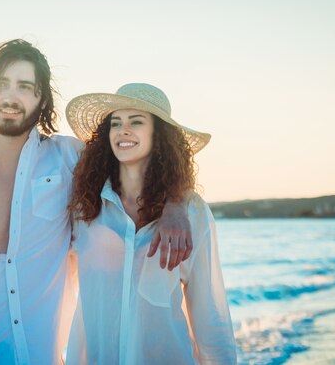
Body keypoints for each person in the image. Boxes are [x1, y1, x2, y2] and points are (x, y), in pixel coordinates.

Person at [0, 40, 192, 365]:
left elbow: (144, 163)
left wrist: (175, 205)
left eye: (25, 86)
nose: (11, 96)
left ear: (42, 99)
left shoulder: (70, 160)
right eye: (1, 84)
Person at [65, 83, 237, 364]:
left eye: (136, 122)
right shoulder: (85, 208)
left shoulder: (192, 213)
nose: (123, 130)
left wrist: (177, 201)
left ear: (159, 135)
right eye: (116, 123)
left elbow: (210, 314)